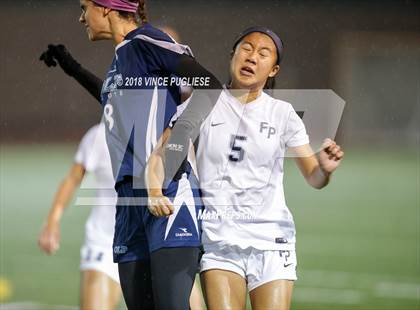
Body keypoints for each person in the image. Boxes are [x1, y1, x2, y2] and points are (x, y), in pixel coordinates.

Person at [147, 26, 344, 310]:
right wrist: (154, 190)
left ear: (273, 70)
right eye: (246, 48)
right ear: (233, 54)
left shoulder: (283, 113)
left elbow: (314, 176)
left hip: (272, 241)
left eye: (263, 54)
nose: (252, 57)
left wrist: (324, 169)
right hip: (219, 241)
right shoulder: (205, 102)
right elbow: (162, 151)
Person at [42, 0, 222, 309]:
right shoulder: (122, 57)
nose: (81, 17)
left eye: (86, 7)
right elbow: (112, 99)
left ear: (108, 8)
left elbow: (211, 86)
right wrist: (74, 69)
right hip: (128, 204)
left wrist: (172, 140)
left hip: (166, 191)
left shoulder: (146, 41)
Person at [38, 123, 122, 310]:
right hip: (105, 243)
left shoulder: (163, 130)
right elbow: (73, 179)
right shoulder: (99, 135)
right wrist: (52, 220)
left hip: (153, 240)